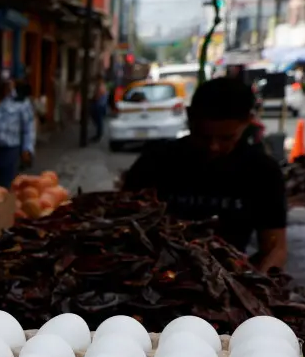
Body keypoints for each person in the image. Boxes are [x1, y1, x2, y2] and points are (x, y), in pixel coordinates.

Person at [123, 77, 287, 272]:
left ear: (247, 123)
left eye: (226, 138)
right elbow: (123, 221)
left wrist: (259, 281)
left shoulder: (262, 171)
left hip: (227, 276)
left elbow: (275, 247)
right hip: (152, 273)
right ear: (190, 117)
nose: (213, 147)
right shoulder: (156, 160)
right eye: (203, 136)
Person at [0, 78, 35, 189]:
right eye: (3, 82)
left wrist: (27, 149)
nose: (5, 86)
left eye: (8, 82)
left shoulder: (20, 102)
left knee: (7, 187)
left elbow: (28, 129)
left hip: (9, 151)